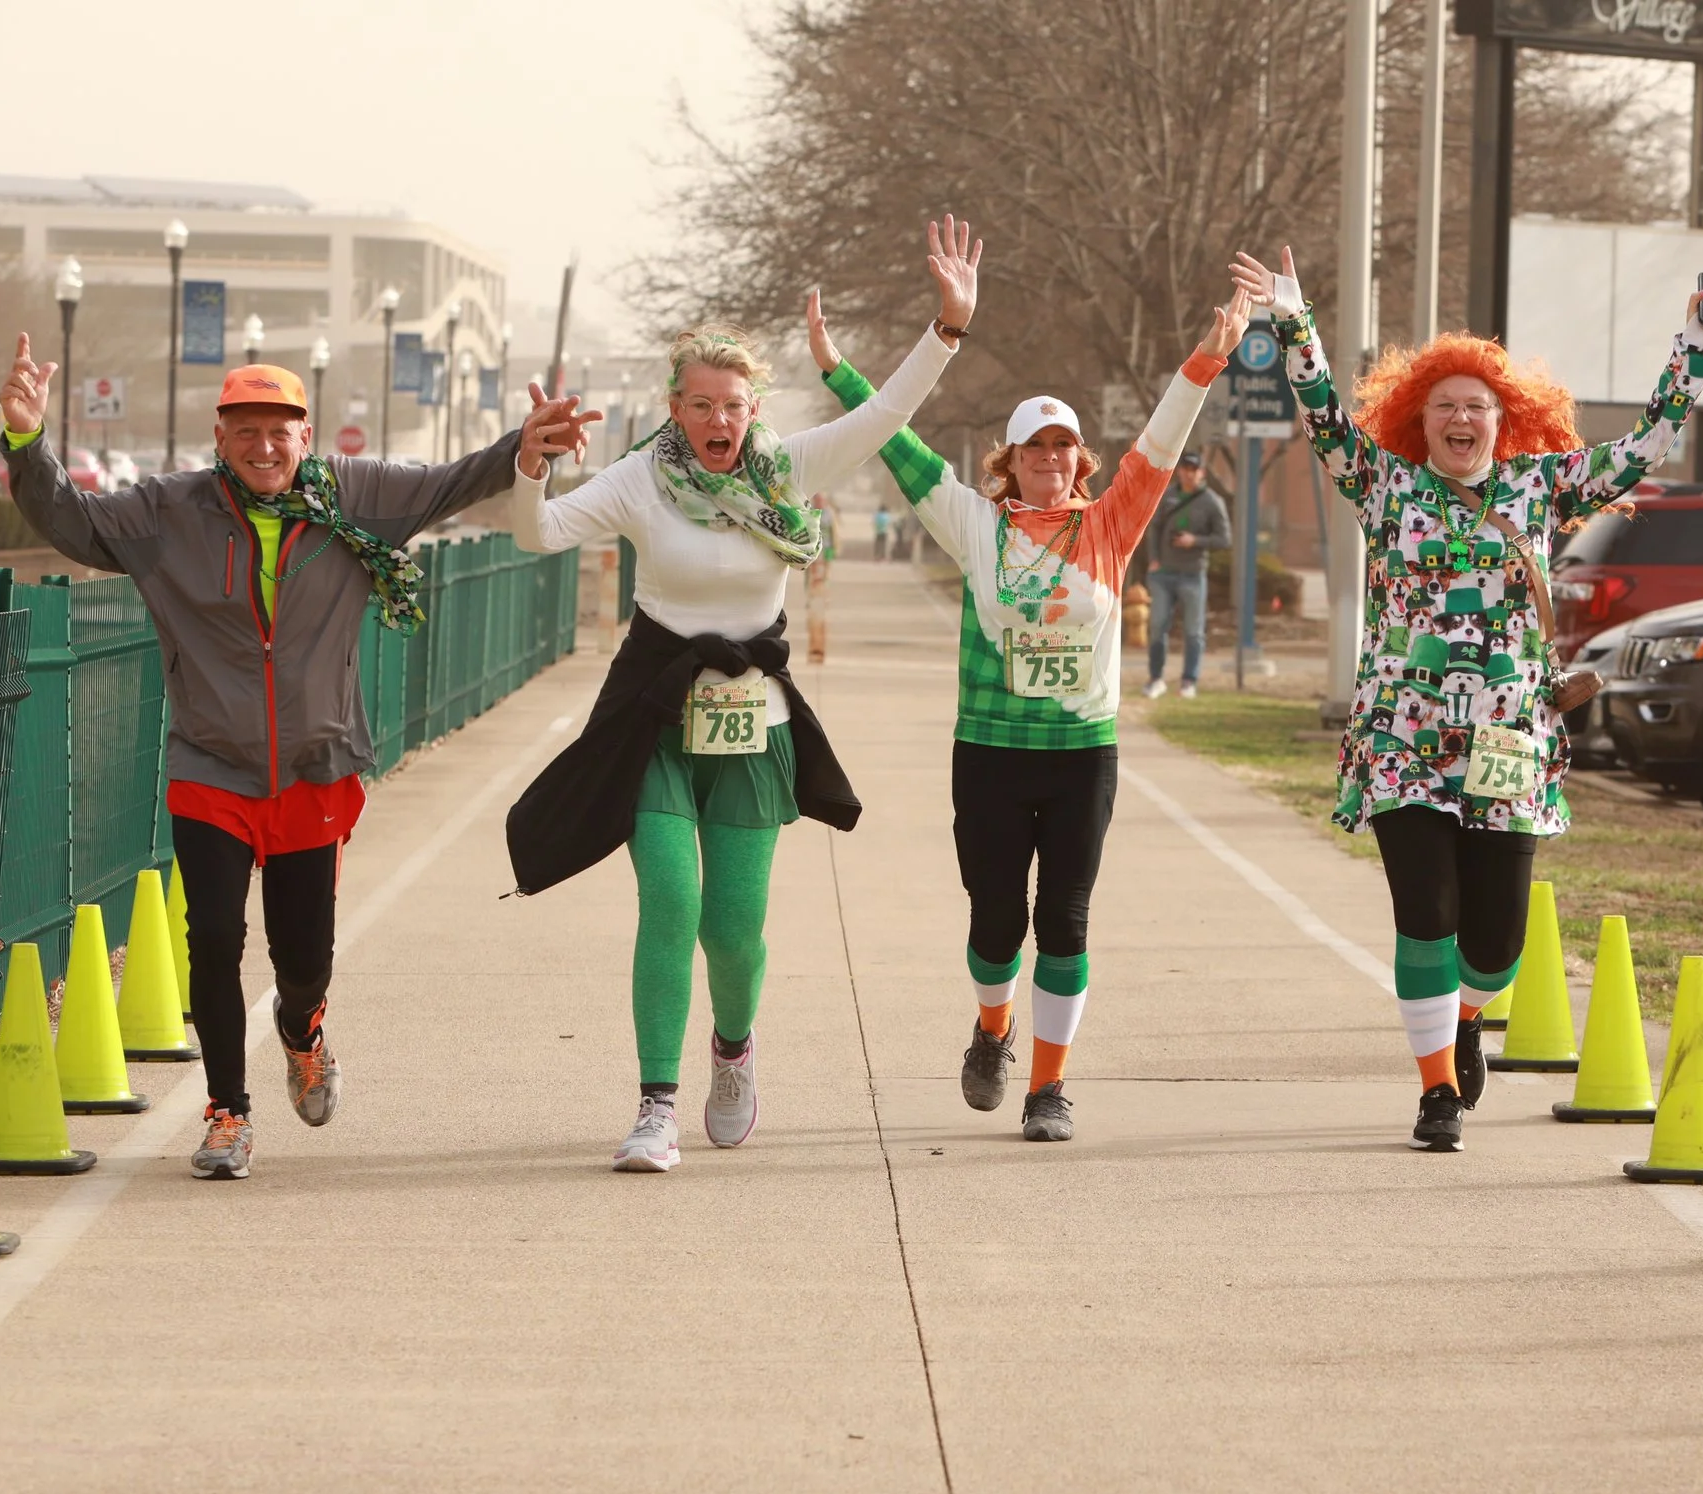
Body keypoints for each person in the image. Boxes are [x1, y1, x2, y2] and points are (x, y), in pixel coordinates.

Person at [0, 338, 568, 1180]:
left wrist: (524, 447)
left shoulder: (356, 497)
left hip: (314, 765)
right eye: (246, 431)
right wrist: (25, 442)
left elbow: (453, 481)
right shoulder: (170, 512)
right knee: (215, 938)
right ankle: (228, 1111)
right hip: (210, 764)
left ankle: (303, 1030)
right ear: (219, 438)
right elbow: (76, 524)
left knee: (303, 959)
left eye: (281, 431)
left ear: (308, 437)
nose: (265, 447)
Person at [1229, 247, 1703, 1155]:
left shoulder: (1542, 487)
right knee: (1423, 907)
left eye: (1478, 405)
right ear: (1416, 420)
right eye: (1443, 405)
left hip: (1508, 741)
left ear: (1507, 421)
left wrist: (1696, 340)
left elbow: (1652, 441)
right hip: (1403, 737)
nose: (1461, 417)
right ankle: (1434, 1092)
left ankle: (1467, 1013)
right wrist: (1292, 321)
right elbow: (1321, 419)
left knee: (1497, 937)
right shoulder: (1382, 485)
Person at [503, 217, 981, 1174]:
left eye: (734, 406)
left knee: (733, 928)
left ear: (754, 408)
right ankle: (653, 1104)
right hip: (656, 719)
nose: (718, 422)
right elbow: (539, 534)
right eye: (701, 406)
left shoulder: (791, 471)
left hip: (751, 724)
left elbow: (884, 420)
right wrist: (529, 464)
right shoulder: (643, 478)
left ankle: (733, 1050)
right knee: (671, 902)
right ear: (674, 407)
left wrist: (948, 327)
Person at [807, 281, 1252, 1142]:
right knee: (996, 919)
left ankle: (1050, 1088)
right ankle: (992, 1027)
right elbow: (898, 446)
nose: (1051, 457)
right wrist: (836, 371)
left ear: (1081, 459)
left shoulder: (1113, 523)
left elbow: (1161, 443)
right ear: (1007, 461)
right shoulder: (975, 526)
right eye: (1034, 447)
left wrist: (1208, 358)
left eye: (1063, 445)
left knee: (1067, 917)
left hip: (1083, 751)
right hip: (991, 752)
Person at [1139, 449, 1230, 699]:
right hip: (1163, 574)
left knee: (1193, 631)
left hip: (1192, 574)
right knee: (1157, 625)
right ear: (1180, 471)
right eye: (1185, 469)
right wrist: (1154, 559)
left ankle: (1189, 680)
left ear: (1201, 473)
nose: (1189, 474)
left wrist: (1195, 540)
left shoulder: (1212, 501)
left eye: (1194, 469)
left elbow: (1224, 539)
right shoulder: (1166, 496)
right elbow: (1153, 528)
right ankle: (1156, 678)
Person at [806, 491, 838, 663]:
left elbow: (834, 536)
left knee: (820, 607)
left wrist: (830, 556)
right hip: (811, 561)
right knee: (812, 608)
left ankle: (819, 649)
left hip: (824, 561)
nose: (819, 501)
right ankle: (814, 648)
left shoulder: (828, 515)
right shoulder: (808, 511)